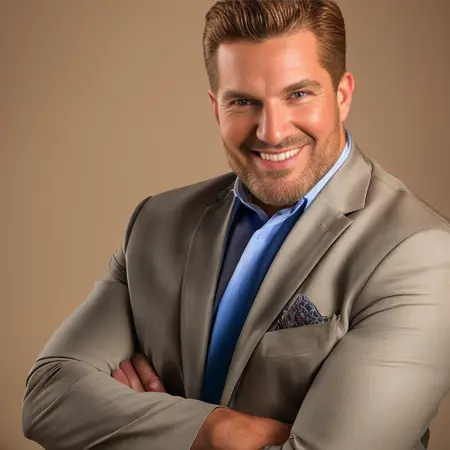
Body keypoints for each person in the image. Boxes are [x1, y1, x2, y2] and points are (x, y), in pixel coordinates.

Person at [22, 1, 450, 449]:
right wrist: (218, 430)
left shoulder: (420, 255)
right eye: (243, 101)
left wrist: (148, 426)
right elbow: (48, 396)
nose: (272, 131)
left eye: (298, 95)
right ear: (216, 107)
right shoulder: (156, 224)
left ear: (342, 95)